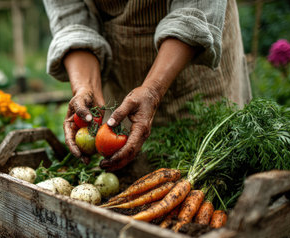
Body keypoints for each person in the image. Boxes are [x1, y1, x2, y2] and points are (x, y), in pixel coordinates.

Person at [42, 0, 251, 171]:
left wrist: (153, 90)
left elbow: (196, 9)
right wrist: (84, 86)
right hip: (122, 65)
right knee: (133, 173)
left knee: (213, 167)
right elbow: (71, 20)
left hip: (195, 56)